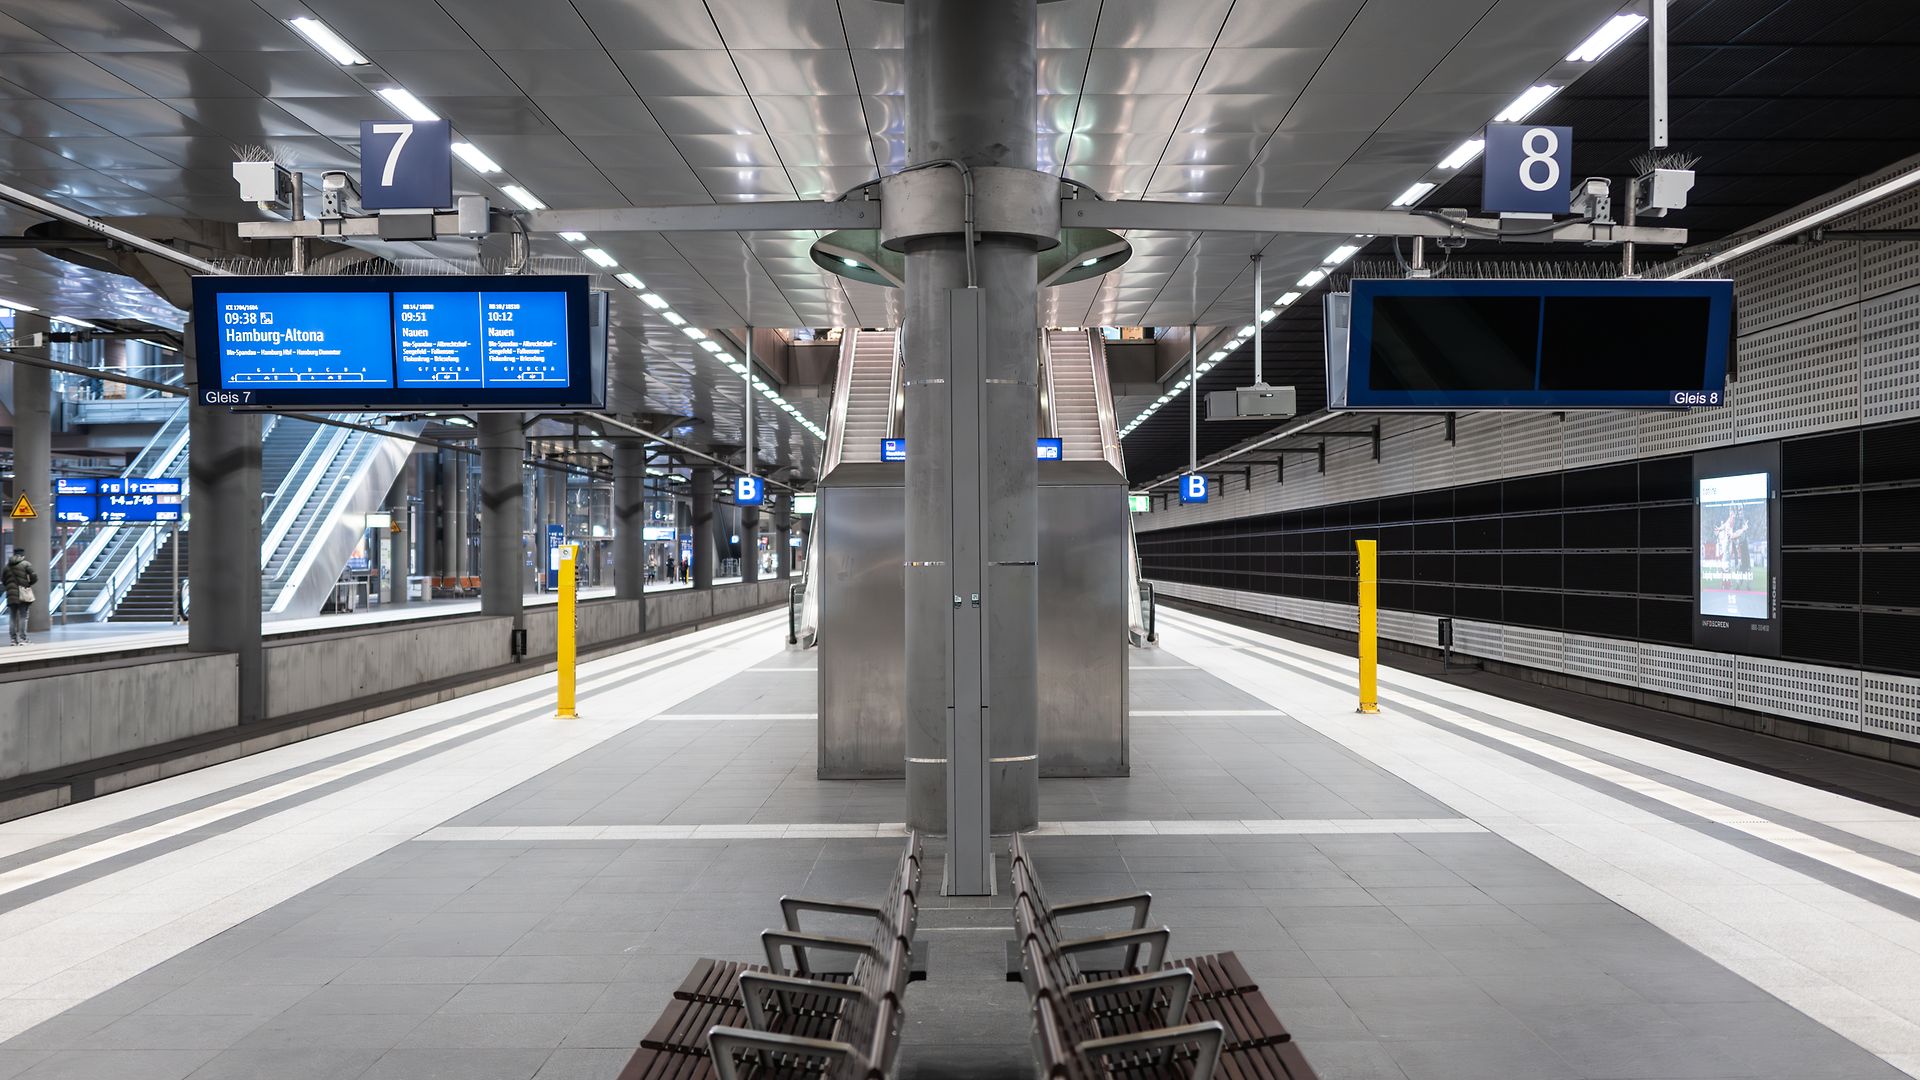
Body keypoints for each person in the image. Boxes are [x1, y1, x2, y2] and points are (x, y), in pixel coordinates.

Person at [3, 546, 38, 646]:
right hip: (22, 594)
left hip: (11, 595)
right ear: (23, 555)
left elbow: (4, 580)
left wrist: (10, 588)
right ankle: (23, 639)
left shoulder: (7, 566)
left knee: (12, 617)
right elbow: (34, 577)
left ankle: (13, 640)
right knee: (23, 616)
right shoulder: (26, 564)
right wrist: (28, 584)